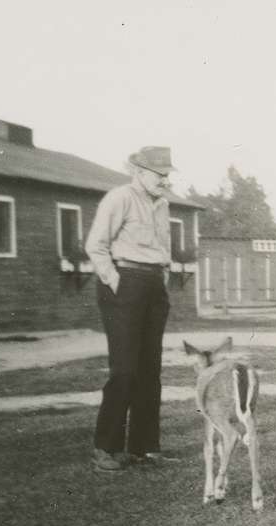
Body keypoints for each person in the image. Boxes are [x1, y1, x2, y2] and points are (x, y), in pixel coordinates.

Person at [84, 146, 177, 472]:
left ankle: (144, 447)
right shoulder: (119, 198)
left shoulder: (163, 204)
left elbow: (162, 249)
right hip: (124, 283)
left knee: (150, 370)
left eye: (168, 175)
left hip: (153, 285)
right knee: (124, 369)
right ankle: (105, 449)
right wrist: (116, 281)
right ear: (138, 171)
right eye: (159, 174)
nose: (165, 181)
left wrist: (161, 281)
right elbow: (95, 245)